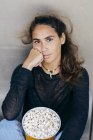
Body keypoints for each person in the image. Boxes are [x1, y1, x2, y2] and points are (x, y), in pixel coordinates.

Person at [0, 14, 89, 140]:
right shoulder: (24, 70)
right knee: (5, 126)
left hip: (60, 136)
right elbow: (9, 114)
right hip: (29, 136)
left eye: (49, 39)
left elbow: (78, 118)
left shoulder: (78, 74)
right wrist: (27, 66)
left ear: (62, 38)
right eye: (37, 41)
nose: (43, 48)